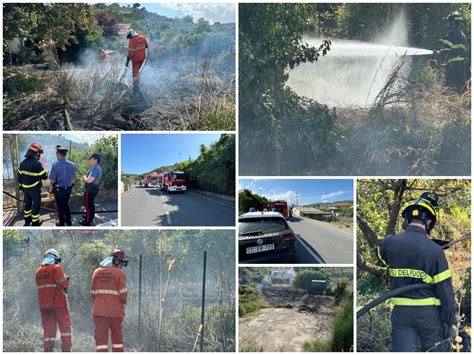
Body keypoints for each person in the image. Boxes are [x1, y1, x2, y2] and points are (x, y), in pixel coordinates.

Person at [377, 192, 457, 352]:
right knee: (436, 350)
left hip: (401, 314)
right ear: (429, 221)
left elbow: (381, 255)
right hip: (429, 315)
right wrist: (451, 322)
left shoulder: (389, 243)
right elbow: (445, 290)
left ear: (406, 220)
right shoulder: (435, 251)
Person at [91, 249, 129, 352]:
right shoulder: (119, 273)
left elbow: (93, 294)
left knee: (101, 343)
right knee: (117, 342)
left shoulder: (96, 272)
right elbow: (123, 295)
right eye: (121, 263)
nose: (121, 266)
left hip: (98, 313)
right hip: (115, 313)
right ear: (116, 261)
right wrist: (124, 302)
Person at [36, 248, 72, 352]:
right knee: (65, 329)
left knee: (48, 332)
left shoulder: (38, 271)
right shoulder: (56, 268)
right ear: (55, 258)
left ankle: (48, 350)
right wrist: (66, 278)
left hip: (44, 307)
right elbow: (63, 284)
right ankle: (66, 350)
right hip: (59, 305)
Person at [18, 143, 48, 226]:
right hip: (35, 189)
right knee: (36, 205)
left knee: (27, 204)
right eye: (40, 153)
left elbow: (19, 177)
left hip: (25, 189)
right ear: (37, 153)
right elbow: (44, 177)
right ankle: (35, 223)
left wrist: (21, 186)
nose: (40, 155)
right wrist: (43, 166)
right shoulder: (37, 164)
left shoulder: (22, 163)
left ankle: (27, 221)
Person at [438, 11, 468, 93]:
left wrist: (439, 53)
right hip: (462, 65)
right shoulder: (463, 35)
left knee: (450, 87)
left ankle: (450, 104)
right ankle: (460, 104)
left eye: (449, 22)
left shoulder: (451, 34)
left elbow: (445, 49)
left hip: (453, 65)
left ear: (453, 22)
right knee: (461, 87)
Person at [49, 145, 77, 226]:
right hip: (68, 189)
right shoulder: (72, 164)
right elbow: (74, 178)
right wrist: (72, 187)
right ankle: (68, 221)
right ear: (65, 154)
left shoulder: (55, 165)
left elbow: (52, 181)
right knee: (66, 204)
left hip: (59, 190)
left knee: (60, 207)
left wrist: (50, 191)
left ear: (58, 154)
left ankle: (61, 223)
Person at [79, 154, 102, 226]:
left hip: (90, 189)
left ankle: (87, 222)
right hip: (94, 188)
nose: (89, 160)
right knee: (91, 204)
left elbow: (89, 180)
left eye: (90, 159)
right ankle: (90, 216)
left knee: (88, 205)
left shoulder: (95, 169)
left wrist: (84, 177)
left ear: (95, 160)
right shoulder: (97, 167)